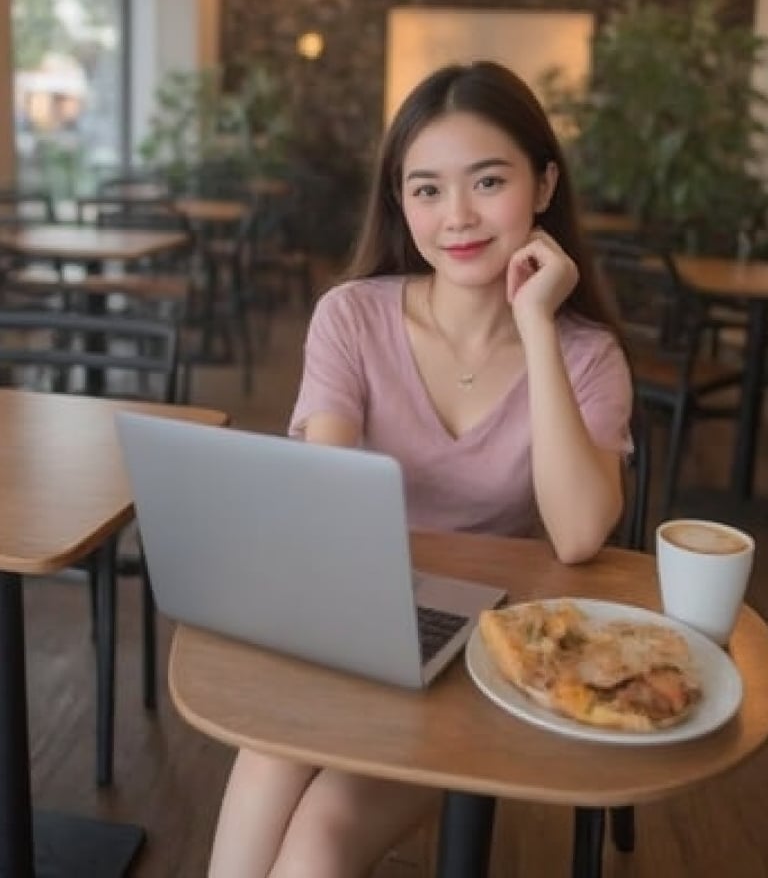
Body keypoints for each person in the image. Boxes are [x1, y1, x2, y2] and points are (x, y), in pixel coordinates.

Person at [208, 60, 632, 878]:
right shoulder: (352, 316)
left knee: (320, 844)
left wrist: (537, 323)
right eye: (427, 189)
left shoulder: (588, 356)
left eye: (487, 181)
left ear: (544, 184)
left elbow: (579, 535)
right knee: (268, 759)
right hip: (355, 617)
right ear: (399, 201)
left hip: (486, 651)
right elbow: (321, 492)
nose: (458, 217)